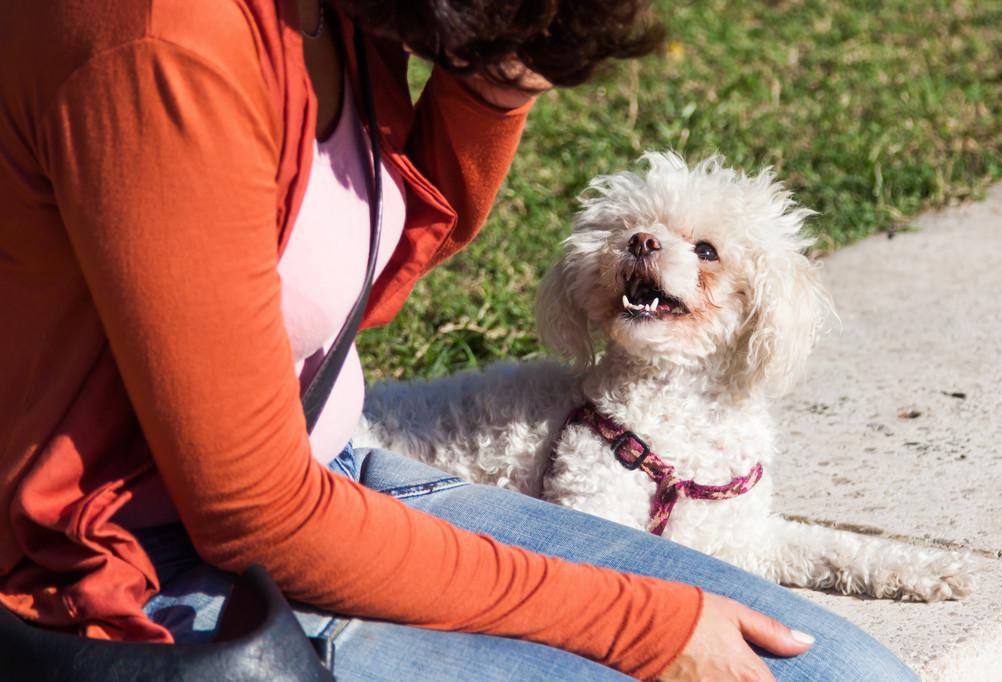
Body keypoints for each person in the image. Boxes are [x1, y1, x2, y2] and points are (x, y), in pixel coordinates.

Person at [0, 1, 918, 679]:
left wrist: (498, 73)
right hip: (137, 558)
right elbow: (251, 514)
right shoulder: (164, 49)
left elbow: (350, 273)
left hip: (338, 473)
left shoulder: (338, 20)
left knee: (853, 675)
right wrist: (631, 622)